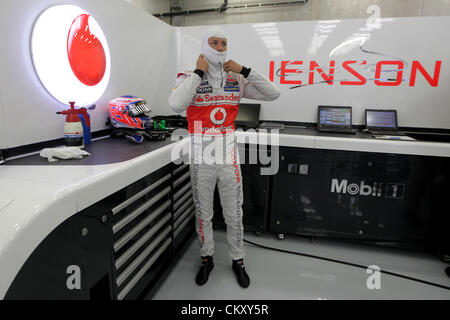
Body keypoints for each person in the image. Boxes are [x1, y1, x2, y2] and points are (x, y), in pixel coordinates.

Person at [168, 27, 280, 288]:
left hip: (228, 151)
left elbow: (273, 93)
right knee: (203, 212)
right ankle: (207, 258)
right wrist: (198, 72)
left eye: (224, 43)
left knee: (233, 211)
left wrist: (246, 70)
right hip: (201, 152)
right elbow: (175, 104)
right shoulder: (188, 76)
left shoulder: (236, 78)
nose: (220, 47)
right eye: (214, 42)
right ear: (205, 46)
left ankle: (237, 259)